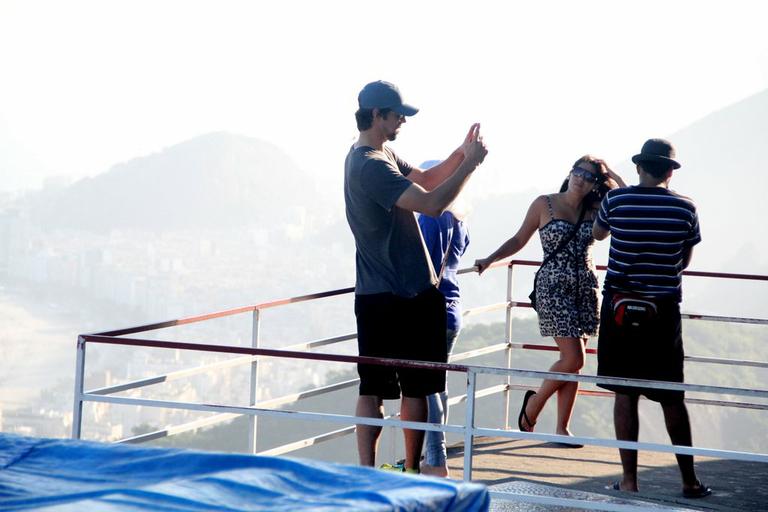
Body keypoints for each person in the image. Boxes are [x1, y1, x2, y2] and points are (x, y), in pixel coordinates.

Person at [344, 80, 487, 473]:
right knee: (391, 387)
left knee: (401, 386)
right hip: (395, 292)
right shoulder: (370, 165)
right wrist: (471, 165)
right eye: (397, 115)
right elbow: (431, 203)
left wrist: (459, 154)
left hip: (387, 291)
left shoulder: (378, 152)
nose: (402, 121)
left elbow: (426, 178)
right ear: (377, 115)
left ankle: (400, 469)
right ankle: (379, 471)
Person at [592, 138, 711, 498]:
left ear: (639, 168)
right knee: (672, 396)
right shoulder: (685, 208)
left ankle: (629, 480)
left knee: (625, 395)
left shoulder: (615, 200)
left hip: (619, 310)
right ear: (670, 172)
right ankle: (689, 481)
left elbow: (598, 234)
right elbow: (684, 261)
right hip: (662, 313)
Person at [475, 156, 624, 442]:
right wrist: (491, 258)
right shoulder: (544, 204)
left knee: (573, 363)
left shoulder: (596, 208)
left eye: (589, 176)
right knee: (573, 357)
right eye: (578, 171)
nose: (580, 178)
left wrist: (613, 175)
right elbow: (519, 240)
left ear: (595, 183)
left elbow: (625, 202)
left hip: (586, 288)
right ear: (570, 173)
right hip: (553, 289)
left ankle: (562, 429)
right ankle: (532, 406)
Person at [417, 161, 471, 477]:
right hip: (453, 309)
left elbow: (425, 265)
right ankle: (433, 455)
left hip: (430, 311)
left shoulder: (430, 218)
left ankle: (435, 461)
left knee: (426, 388)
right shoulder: (459, 219)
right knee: (439, 386)